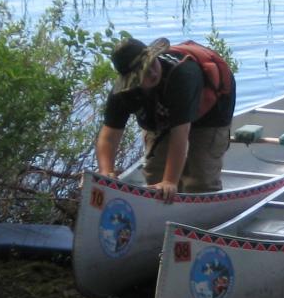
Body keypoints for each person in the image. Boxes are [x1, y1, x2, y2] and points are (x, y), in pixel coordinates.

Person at [96, 37, 236, 202]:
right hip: (163, 115)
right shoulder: (122, 94)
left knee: (199, 179)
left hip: (211, 111)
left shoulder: (183, 74)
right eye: (144, 72)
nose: (153, 73)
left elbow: (180, 135)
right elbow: (109, 137)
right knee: (155, 175)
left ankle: (204, 212)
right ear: (131, 80)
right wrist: (106, 172)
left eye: (152, 64)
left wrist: (169, 181)